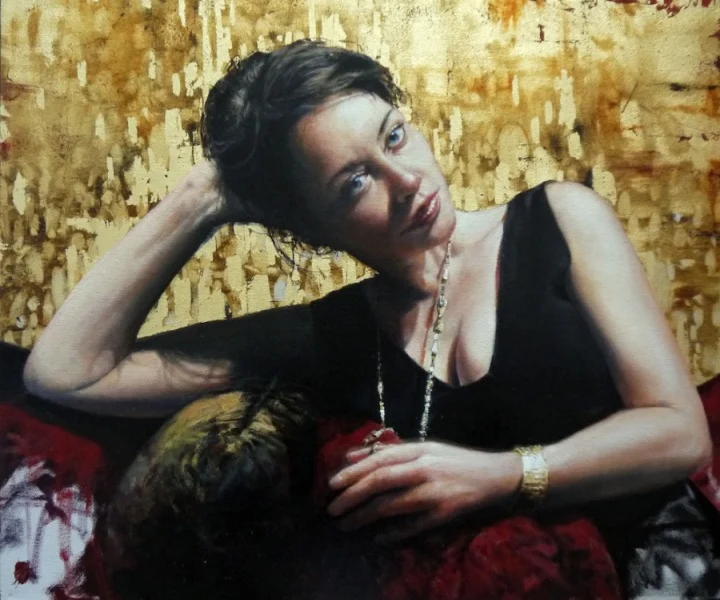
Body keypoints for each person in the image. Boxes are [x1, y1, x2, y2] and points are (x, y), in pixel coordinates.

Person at [22, 40, 718, 597]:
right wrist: (205, 195)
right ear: (310, 227)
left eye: (395, 136)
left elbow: (679, 432)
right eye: (355, 181)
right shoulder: (329, 336)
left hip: (665, 574)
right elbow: (68, 373)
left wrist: (501, 476)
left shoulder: (558, 221)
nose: (407, 181)